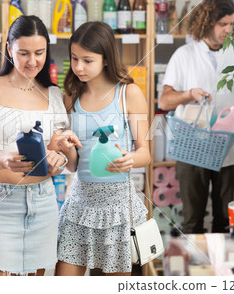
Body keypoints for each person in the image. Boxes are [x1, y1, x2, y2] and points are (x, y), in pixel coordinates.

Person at [0, 15, 71, 276]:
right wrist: (2, 160)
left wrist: (58, 159)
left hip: (43, 204)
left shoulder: (53, 95)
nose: (32, 61)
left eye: (39, 53)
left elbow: (57, 150)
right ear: (9, 49)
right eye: (23, 53)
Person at [54, 21, 150, 276]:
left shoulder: (129, 93)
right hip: (79, 204)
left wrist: (130, 159)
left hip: (118, 208)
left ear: (106, 59)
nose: (79, 67)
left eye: (88, 60)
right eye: (74, 58)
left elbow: (146, 153)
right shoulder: (71, 97)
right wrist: (67, 149)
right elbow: (74, 164)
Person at [160, 0, 234, 234]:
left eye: (232, 24)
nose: (228, 29)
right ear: (206, 22)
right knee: (192, 223)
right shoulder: (184, 56)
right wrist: (189, 93)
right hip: (193, 148)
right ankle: (196, 270)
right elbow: (165, 100)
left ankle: (223, 270)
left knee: (227, 223)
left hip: (229, 149)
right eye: (222, 24)